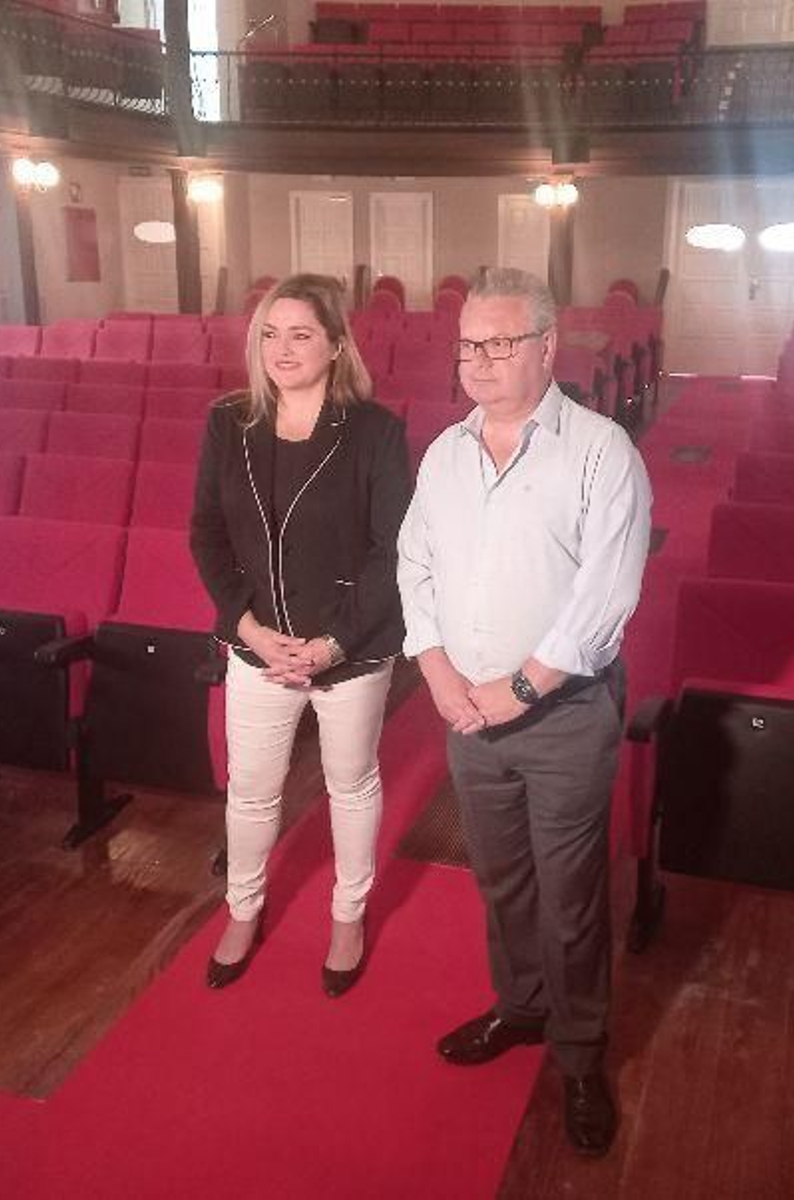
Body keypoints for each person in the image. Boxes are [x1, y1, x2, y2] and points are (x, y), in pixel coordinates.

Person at [397, 268, 652, 1156]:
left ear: (548, 348)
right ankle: (522, 1008)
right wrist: (433, 668)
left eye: (500, 343)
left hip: (562, 716)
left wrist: (523, 687)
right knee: (500, 879)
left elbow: (605, 596)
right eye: (469, 344)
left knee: (571, 894)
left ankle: (581, 1053)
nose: (479, 360)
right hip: (467, 711)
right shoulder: (443, 453)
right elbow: (414, 565)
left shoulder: (600, 451)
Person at [189, 273, 412, 997]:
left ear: (337, 343)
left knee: (350, 786)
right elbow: (207, 535)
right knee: (251, 793)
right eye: (270, 334)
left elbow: (393, 550)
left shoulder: (376, 431)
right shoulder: (230, 421)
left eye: (302, 334)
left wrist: (330, 645)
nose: (283, 349)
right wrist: (247, 626)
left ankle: (348, 915)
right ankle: (242, 911)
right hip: (258, 647)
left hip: (347, 652)